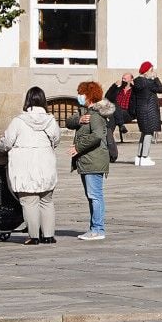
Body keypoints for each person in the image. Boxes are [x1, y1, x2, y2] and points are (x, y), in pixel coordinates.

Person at [0, 86, 60, 245]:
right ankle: (48, 235)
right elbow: (56, 140)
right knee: (46, 201)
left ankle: (34, 236)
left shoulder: (18, 121)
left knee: (29, 201)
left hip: (24, 166)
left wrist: (1, 148)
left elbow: (7, 142)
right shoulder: (50, 120)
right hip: (45, 163)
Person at [66, 81, 115, 241]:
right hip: (86, 160)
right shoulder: (84, 112)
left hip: (94, 159)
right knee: (91, 195)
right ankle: (94, 227)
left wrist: (78, 147)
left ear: (89, 95)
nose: (79, 96)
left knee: (95, 195)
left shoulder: (96, 114)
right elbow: (69, 121)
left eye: (81, 93)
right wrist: (79, 120)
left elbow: (97, 136)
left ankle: (97, 229)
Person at [130, 61, 162, 166]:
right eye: (151, 70)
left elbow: (133, 98)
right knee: (149, 133)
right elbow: (161, 89)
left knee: (144, 132)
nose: (153, 72)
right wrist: (156, 78)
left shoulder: (136, 81)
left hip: (141, 110)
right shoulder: (147, 82)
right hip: (149, 110)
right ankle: (144, 157)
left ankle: (139, 157)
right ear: (146, 71)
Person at [105, 72, 135, 156]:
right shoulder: (119, 88)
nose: (123, 80)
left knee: (112, 115)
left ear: (131, 79)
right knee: (114, 106)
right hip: (117, 112)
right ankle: (121, 125)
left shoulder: (134, 89)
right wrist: (114, 86)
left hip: (128, 113)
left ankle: (109, 144)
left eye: (125, 79)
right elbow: (107, 97)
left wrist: (135, 86)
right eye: (122, 78)